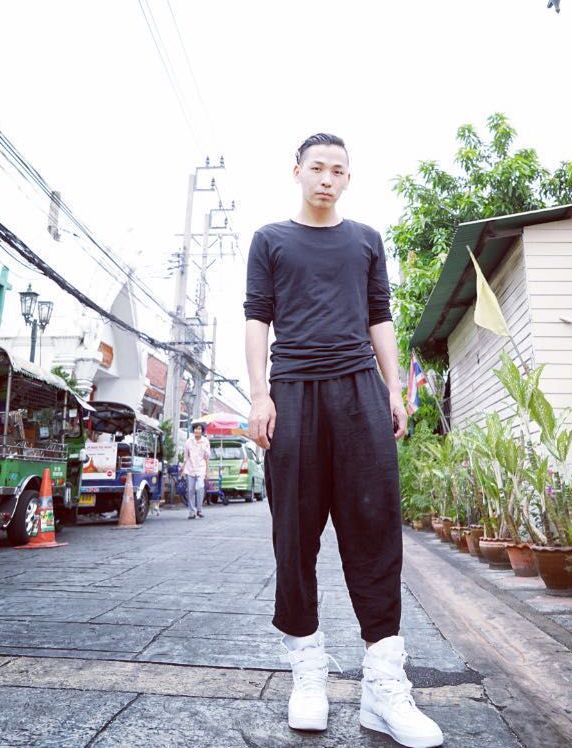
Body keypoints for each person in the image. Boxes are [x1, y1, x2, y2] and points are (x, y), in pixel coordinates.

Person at [244, 133, 443, 748]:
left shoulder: (365, 240)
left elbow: (380, 315)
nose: (327, 178)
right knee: (294, 534)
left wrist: (394, 390)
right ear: (297, 172)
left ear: (348, 178)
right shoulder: (270, 240)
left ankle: (383, 686)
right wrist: (259, 395)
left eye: (337, 170)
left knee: (375, 531)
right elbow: (257, 318)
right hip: (293, 391)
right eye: (317, 168)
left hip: (359, 390)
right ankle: (308, 671)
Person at [182, 422, 210, 519]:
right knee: (190, 490)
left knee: (200, 487)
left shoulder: (205, 442)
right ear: (193, 430)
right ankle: (192, 512)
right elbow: (185, 457)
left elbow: (207, 458)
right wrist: (183, 469)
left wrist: (207, 471)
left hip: (201, 468)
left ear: (202, 431)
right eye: (196, 429)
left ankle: (199, 510)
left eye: (199, 429)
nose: (197, 430)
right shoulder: (188, 442)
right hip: (190, 468)